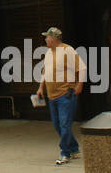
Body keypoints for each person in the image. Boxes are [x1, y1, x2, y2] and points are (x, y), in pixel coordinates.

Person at [36, 27, 86, 165]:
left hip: (65, 94)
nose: (46, 39)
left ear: (54, 38)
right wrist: (41, 87)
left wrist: (79, 85)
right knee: (58, 125)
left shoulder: (67, 50)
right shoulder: (48, 53)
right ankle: (74, 148)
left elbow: (81, 67)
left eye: (47, 37)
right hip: (52, 95)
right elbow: (45, 71)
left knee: (64, 124)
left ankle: (65, 152)